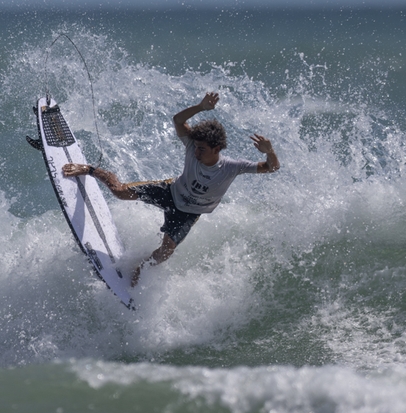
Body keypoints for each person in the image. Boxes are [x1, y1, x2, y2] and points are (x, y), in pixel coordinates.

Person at [61, 92, 280, 286]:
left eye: (202, 150)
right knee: (119, 192)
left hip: (188, 213)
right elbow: (178, 120)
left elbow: (271, 168)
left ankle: (140, 268)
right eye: (196, 147)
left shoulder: (232, 167)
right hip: (170, 191)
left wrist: (269, 151)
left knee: (165, 252)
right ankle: (91, 169)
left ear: (216, 149)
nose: (196, 153)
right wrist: (201, 107)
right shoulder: (192, 145)